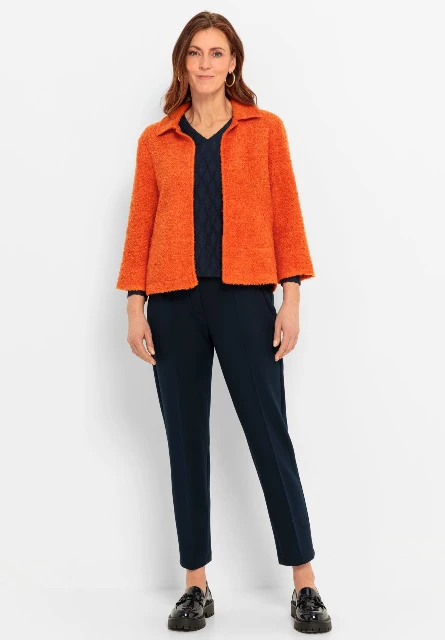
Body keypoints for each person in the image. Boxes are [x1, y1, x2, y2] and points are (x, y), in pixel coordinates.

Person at [116, 11, 332, 634]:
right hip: (172, 304)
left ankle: (305, 582)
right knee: (185, 441)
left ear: (233, 62)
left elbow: (286, 216)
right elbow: (140, 225)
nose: (205, 63)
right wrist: (134, 306)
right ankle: (196, 584)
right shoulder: (156, 140)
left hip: (245, 299)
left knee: (269, 435)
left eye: (217, 52)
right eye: (195, 53)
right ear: (182, 64)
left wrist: (291, 299)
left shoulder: (265, 131)